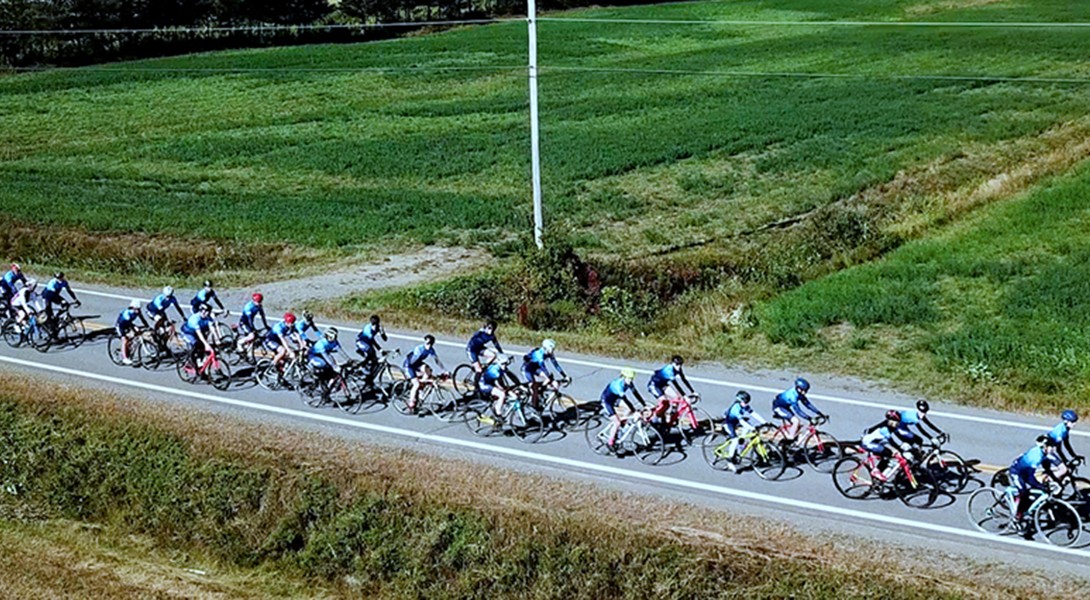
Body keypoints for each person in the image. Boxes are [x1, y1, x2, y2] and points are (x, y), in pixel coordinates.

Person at [1007, 436, 1064, 529]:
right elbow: (1031, 477)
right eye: (1051, 446)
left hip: (1026, 471)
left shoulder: (1043, 454)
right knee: (1024, 492)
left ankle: (1026, 506)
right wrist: (1040, 485)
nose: (1053, 448)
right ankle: (1017, 516)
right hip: (1017, 472)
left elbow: (1047, 468)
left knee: (1037, 489)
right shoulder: (1036, 457)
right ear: (1044, 447)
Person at [598, 368, 647, 450]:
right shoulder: (618, 386)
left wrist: (644, 404)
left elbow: (636, 393)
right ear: (624, 377)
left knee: (629, 410)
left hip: (616, 398)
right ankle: (610, 443)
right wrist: (635, 412)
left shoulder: (628, 383)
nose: (630, 381)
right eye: (629, 378)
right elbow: (626, 400)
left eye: (632, 379)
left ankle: (621, 426)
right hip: (607, 401)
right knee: (617, 422)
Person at [860, 410, 915, 481]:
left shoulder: (891, 426)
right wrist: (900, 450)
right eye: (895, 421)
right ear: (889, 420)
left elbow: (898, 436)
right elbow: (892, 441)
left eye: (898, 421)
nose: (897, 423)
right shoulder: (884, 429)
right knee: (887, 453)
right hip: (868, 443)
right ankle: (875, 471)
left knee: (889, 454)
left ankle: (879, 475)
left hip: (877, 441)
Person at [721, 390, 767, 472]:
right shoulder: (736, 408)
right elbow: (742, 422)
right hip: (728, 423)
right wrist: (752, 428)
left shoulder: (743, 405)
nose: (746, 404)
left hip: (736, 422)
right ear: (740, 401)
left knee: (745, 434)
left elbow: (753, 413)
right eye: (745, 402)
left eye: (747, 402)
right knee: (735, 440)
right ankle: (730, 459)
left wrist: (764, 422)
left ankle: (739, 450)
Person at [771, 377, 825, 442]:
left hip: (785, 407)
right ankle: (789, 438)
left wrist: (819, 413)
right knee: (796, 421)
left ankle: (788, 440)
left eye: (806, 391)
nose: (804, 393)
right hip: (778, 407)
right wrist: (809, 418)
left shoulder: (800, 393)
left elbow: (808, 405)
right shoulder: (792, 396)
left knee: (797, 426)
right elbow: (798, 411)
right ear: (798, 388)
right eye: (803, 390)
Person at [403, 335, 447, 412]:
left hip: (417, 364)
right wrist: (418, 374)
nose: (429, 345)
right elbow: (412, 363)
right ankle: (411, 403)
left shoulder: (431, 350)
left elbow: (437, 361)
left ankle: (421, 389)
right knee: (416, 384)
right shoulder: (419, 349)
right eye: (428, 343)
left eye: (430, 344)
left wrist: (444, 370)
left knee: (428, 371)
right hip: (409, 366)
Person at [522, 339, 568, 406]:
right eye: (552, 349)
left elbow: (556, 365)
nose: (553, 351)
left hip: (536, 368)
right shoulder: (539, 354)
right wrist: (548, 375)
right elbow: (543, 367)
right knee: (534, 388)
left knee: (548, 380)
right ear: (547, 348)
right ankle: (534, 405)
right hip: (527, 369)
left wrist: (564, 376)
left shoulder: (549, 353)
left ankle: (540, 391)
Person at [477, 355, 517, 424]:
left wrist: (519, 385)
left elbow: (511, 376)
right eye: (503, 364)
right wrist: (509, 391)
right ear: (499, 363)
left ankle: (497, 409)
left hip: (490, 382)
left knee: (504, 393)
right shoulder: (495, 371)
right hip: (484, 385)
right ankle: (498, 412)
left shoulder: (501, 366)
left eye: (506, 364)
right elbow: (501, 384)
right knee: (502, 394)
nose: (504, 366)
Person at [308, 327, 344, 395]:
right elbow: (326, 357)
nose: (334, 339)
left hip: (324, 355)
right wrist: (335, 367)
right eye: (332, 337)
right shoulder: (321, 344)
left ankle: (327, 384)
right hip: (314, 357)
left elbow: (341, 351)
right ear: (328, 336)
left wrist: (349, 360)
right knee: (324, 365)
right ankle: (319, 381)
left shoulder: (334, 341)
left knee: (332, 370)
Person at [115, 299, 149, 365]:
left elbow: (142, 319)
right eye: (137, 309)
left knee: (135, 335)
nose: (138, 311)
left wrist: (147, 326)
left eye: (139, 309)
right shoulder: (127, 314)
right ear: (132, 308)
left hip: (127, 324)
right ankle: (124, 358)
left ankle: (129, 347)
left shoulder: (137, 312)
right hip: (121, 326)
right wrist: (135, 328)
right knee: (124, 340)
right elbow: (130, 324)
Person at [355, 315, 387, 383]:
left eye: (376, 323)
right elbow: (372, 341)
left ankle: (369, 377)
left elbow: (385, 339)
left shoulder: (378, 327)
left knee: (374, 360)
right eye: (373, 323)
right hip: (361, 341)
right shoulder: (368, 328)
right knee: (371, 353)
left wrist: (382, 332)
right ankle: (362, 367)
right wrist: (380, 350)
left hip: (368, 342)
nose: (374, 325)